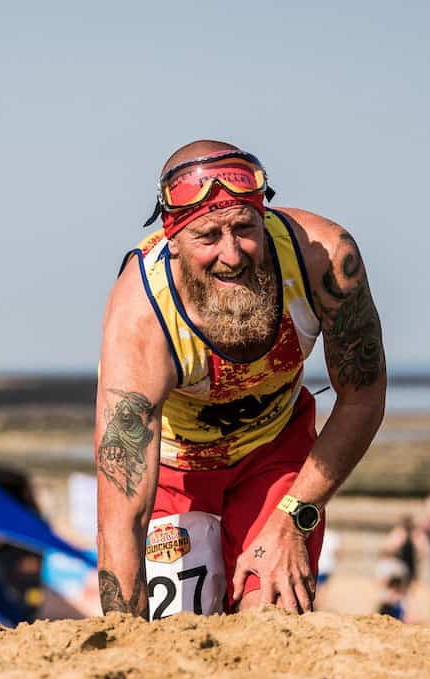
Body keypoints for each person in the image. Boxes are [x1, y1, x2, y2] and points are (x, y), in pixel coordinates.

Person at [96, 140, 386, 617]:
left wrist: (295, 516)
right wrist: (125, 642)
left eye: (244, 229)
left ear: (263, 216)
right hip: (174, 472)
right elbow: (121, 514)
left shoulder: (323, 259)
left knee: (271, 621)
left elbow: (363, 398)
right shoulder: (141, 313)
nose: (232, 255)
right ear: (173, 239)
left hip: (275, 457)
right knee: (176, 641)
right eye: (208, 237)